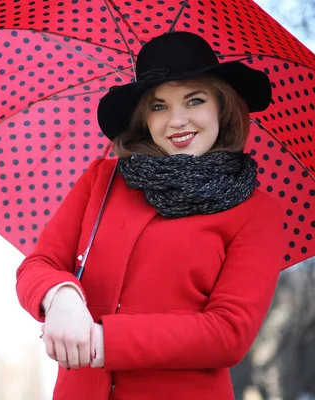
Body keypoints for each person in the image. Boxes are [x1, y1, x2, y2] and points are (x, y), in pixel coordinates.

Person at [15, 31, 285, 400]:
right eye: (159, 106)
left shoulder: (258, 212)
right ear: (145, 118)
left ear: (222, 106)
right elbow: (39, 264)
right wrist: (61, 296)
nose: (177, 120)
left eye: (194, 100)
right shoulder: (103, 179)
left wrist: (102, 340)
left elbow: (228, 333)